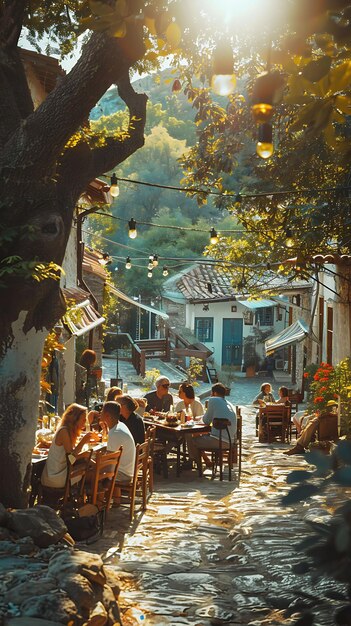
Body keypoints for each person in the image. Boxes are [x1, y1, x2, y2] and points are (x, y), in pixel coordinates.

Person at [41, 403, 100, 488]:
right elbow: (71, 459)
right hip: (54, 478)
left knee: (89, 464)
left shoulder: (69, 431)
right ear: (74, 419)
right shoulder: (64, 431)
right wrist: (83, 442)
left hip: (61, 473)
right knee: (88, 468)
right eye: (83, 420)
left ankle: (94, 493)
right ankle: (93, 496)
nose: (85, 423)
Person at [187, 383, 236, 467]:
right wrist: (199, 418)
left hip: (218, 441)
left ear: (215, 393)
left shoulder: (213, 400)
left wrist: (195, 420)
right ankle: (206, 460)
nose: (210, 395)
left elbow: (206, 421)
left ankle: (195, 463)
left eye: (211, 393)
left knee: (190, 437)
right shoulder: (229, 404)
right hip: (230, 441)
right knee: (200, 435)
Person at [100, 401, 136, 481]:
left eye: (102, 411)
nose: (100, 413)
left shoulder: (115, 433)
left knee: (89, 473)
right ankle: (114, 494)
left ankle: (100, 492)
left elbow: (109, 464)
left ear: (107, 416)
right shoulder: (120, 425)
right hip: (127, 469)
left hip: (123, 474)